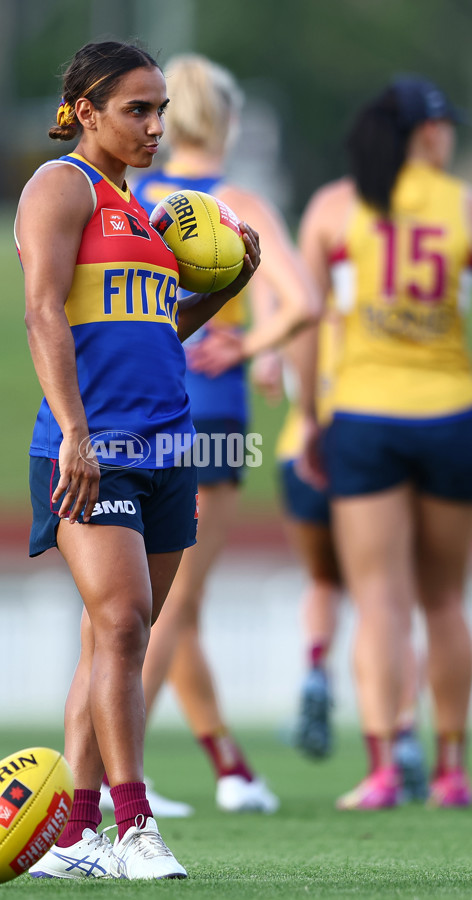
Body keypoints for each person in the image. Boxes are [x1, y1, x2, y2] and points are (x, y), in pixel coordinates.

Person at [14, 40, 263, 879]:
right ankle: (134, 825)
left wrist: (223, 291)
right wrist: (76, 434)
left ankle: (77, 838)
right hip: (90, 452)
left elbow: (158, 338)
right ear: (85, 111)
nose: (157, 126)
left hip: (170, 447)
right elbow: (44, 315)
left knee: (113, 639)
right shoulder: (62, 189)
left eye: (160, 110)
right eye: (138, 110)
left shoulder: (146, 215)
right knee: (122, 626)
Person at [119, 53, 318, 815]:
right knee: (170, 604)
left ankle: (229, 769)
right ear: (228, 120)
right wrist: (254, 344)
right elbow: (299, 300)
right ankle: (113, 774)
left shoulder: (136, 195)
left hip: (134, 409)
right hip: (214, 424)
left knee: (169, 601)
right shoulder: (235, 201)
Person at [297, 75, 472, 809]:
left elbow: (308, 324)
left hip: (364, 418)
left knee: (378, 601)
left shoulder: (337, 206)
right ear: (428, 134)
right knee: (443, 602)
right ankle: (450, 769)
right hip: (451, 415)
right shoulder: (462, 203)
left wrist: (309, 415)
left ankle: (378, 767)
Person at [276, 325, 429, 801]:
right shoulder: (382, 302)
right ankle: (402, 729)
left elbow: (282, 363)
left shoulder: (304, 301)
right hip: (371, 440)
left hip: (298, 448)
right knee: (387, 600)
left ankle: (317, 664)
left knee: (324, 581)